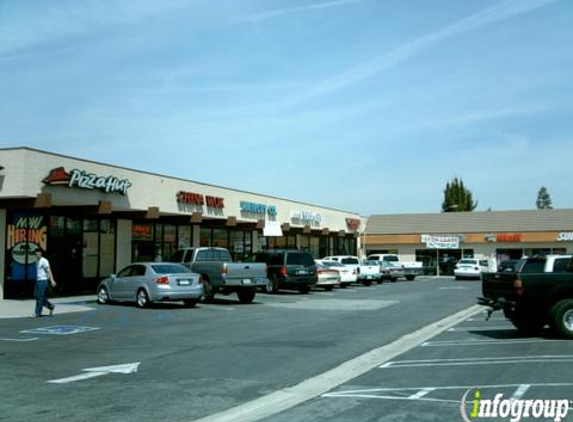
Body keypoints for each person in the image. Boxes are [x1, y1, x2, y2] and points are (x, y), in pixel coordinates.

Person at [33, 248, 56, 318]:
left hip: (43, 281)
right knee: (36, 296)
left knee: (40, 297)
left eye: (39, 254)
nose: (37, 255)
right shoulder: (37, 261)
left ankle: (37, 313)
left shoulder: (44, 261)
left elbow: (48, 271)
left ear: (41, 254)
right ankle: (50, 306)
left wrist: (52, 280)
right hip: (38, 281)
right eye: (36, 254)